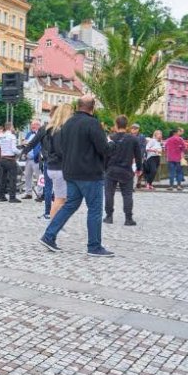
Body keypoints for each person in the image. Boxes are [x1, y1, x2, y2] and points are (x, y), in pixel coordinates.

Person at [40, 95, 115, 257]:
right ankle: (94, 246)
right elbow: (104, 149)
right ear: (92, 107)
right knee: (94, 210)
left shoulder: (67, 124)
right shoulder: (92, 123)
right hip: (89, 174)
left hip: (70, 172)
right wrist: (111, 144)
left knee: (70, 205)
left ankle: (49, 235)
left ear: (78, 106)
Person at [24, 104, 73, 219]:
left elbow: (34, 142)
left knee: (48, 188)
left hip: (47, 161)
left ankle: (47, 212)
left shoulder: (45, 128)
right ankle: (53, 215)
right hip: (57, 163)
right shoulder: (60, 129)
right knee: (58, 192)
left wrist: (25, 151)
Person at [103, 115, 142, 226]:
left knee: (109, 193)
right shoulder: (133, 139)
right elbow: (138, 155)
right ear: (127, 125)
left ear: (116, 125)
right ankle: (128, 218)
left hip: (111, 169)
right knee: (127, 194)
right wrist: (139, 168)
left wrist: (105, 168)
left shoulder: (111, 138)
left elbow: (105, 154)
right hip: (126, 170)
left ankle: (109, 216)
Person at [0, 122, 20, 202]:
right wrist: (20, 152)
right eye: (13, 127)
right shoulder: (12, 136)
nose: (13, 128)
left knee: (2, 178)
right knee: (12, 178)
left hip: (2, 159)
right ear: (10, 127)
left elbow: (0, 146)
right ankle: (12, 197)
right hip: (10, 159)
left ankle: (2, 196)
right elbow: (13, 149)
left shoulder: (1, 136)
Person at [22, 120, 42, 199]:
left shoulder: (40, 134)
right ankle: (28, 193)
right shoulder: (29, 134)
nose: (32, 126)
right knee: (27, 176)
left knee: (39, 176)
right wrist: (24, 145)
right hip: (28, 158)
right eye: (32, 125)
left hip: (36, 158)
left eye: (35, 125)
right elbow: (26, 144)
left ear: (38, 126)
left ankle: (40, 193)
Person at [131, 123, 147, 188]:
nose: (134, 130)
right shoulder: (129, 136)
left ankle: (138, 181)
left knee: (140, 169)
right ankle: (132, 183)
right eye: (133, 128)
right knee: (131, 170)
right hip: (130, 156)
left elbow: (143, 147)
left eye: (136, 128)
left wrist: (139, 156)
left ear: (138, 129)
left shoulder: (142, 136)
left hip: (139, 156)